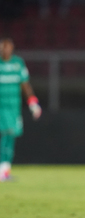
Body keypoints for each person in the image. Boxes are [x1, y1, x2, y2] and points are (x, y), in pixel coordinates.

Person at [0, 38, 42, 182]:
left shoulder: (18, 64)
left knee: (9, 136)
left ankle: (4, 171)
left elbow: (25, 85)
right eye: (2, 48)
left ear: (11, 49)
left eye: (7, 48)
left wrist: (33, 104)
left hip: (13, 107)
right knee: (5, 136)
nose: (5, 50)